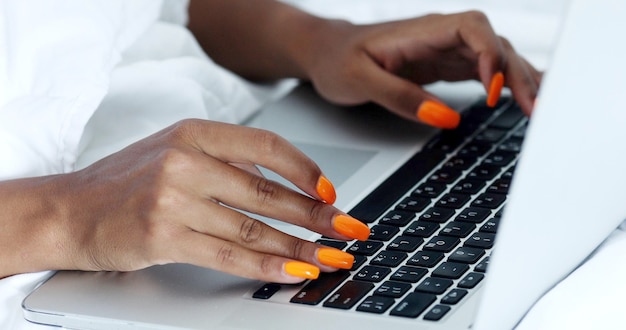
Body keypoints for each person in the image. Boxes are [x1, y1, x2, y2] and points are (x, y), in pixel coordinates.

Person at [0, 0, 540, 285]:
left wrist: (317, 40)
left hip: (242, 128)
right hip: (71, 264)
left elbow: (154, 7)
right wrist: (64, 216)